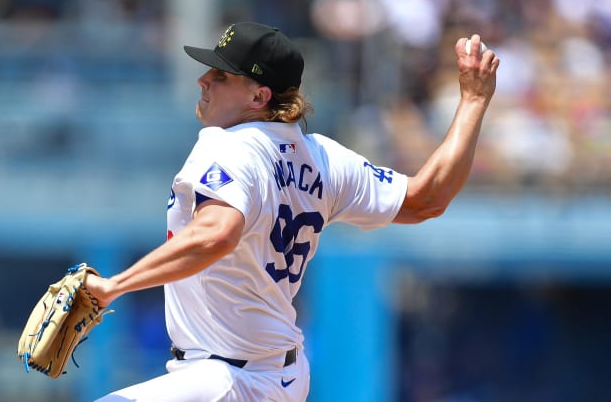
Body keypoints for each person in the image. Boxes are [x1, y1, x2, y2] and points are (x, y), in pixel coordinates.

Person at [85, 21, 499, 402]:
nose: (204, 80)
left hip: (228, 377)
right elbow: (427, 198)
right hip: (282, 377)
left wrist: (114, 286)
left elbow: (217, 233)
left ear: (259, 96)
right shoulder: (325, 158)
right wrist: (474, 101)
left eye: (221, 75)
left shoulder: (227, 145)